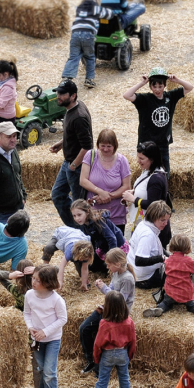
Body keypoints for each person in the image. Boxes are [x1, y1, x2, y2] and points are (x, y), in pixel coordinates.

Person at [123, 67, 194, 174]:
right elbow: (127, 95)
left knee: (164, 173)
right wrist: (142, 83)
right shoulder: (145, 99)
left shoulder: (170, 96)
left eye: (160, 86)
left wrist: (177, 80)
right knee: (148, 173)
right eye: (154, 86)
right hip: (147, 144)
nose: (157, 89)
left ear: (165, 86)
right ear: (150, 86)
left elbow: (189, 87)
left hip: (162, 144)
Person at [79, 247, 136, 375]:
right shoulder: (116, 273)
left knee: (103, 335)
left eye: (109, 264)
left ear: (118, 264)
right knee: (84, 328)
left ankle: (100, 367)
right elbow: (111, 289)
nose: (107, 267)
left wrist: (104, 288)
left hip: (118, 313)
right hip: (108, 307)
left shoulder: (127, 279)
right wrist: (102, 287)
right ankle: (91, 360)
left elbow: (119, 299)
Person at [23, 264, 67, 388]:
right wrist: (30, 327)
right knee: (40, 369)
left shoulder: (56, 300)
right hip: (37, 339)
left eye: (37, 280)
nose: (33, 282)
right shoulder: (29, 295)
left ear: (47, 283)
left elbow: (63, 319)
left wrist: (45, 332)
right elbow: (27, 313)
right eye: (33, 278)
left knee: (49, 372)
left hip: (52, 339)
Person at [142, 233, 194, 318]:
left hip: (170, 292)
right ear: (188, 248)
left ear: (171, 247)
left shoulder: (168, 260)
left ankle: (160, 308)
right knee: (192, 305)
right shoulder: (187, 261)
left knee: (165, 303)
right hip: (185, 292)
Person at [49, 80, 93, 227]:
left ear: (73, 95)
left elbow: (87, 146)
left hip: (77, 166)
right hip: (69, 163)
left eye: (62, 94)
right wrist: (62, 144)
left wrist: (74, 166)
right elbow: (74, 135)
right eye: (58, 93)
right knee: (58, 195)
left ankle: (84, 234)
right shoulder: (72, 108)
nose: (58, 96)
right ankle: (74, 228)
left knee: (79, 205)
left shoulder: (79, 117)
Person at [79, 128, 131, 231]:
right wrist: (100, 192)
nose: (105, 149)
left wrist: (108, 196)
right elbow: (83, 180)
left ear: (115, 146)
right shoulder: (90, 155)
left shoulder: (122, 161)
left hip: (116, 214)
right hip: (93, 213)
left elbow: (127, 186)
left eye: (109, 146)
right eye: (102, 146)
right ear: (98, 145)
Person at [122, 140, 171, 246]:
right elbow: (147, 190)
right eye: (138, 157)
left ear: (152, 159)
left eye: (142, 158)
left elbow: (153, 205)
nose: (138, 161)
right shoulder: (148, 171)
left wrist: (133, 199)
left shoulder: (156, 178)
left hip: (152, 229)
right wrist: (135, 192)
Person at [61, 0, 113, 88]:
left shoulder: (79, 7)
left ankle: (66, 79)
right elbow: (108, 15)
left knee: (73, 57)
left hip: (75, 34)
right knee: (90, 57)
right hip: (88, 34)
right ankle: (89, 80)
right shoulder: (96, 7)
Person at [92, 291, 135, 388]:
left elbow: (98, 343)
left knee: (103, 379)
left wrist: (96, 357)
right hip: (122, 352)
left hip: (108, 354)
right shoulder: (129, 321)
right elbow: (133, 340)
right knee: (124, 379)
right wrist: (129, 355)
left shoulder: (104, 323)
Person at [127, 200, 172, 290]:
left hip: (137, 273)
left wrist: (170, 257)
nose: (166, 223)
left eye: (167, 220)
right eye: (162, 220)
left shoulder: (144, 224)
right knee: (180, 277)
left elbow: (157, 246)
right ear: (153, 217)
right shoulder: (147, 235)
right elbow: (139, 260)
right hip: (145, 278)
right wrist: (161, 258)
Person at [41, 225, 98, 290]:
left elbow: (85, 268)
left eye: (84, 259)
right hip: (61, 235)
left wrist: (84, 283)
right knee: (48, 248)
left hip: (76, 236)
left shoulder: (87, 252)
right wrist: (60, 281)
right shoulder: (70, 250)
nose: (82, 260)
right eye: (81, 258)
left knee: (81, 268)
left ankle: (85, 282)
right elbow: (62, 266)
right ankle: (45, 266)